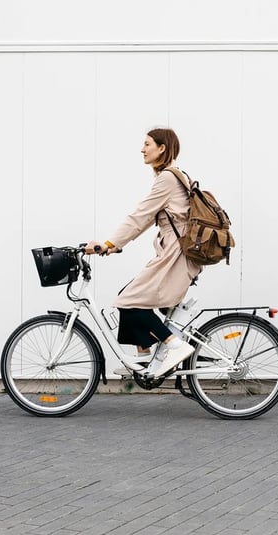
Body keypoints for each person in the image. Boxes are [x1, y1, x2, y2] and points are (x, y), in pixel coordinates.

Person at [86, 127, 200, 378]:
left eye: (147, 144)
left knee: (129, 300)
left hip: (176, 257)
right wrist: (114, 246)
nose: (142, 149)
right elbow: (148, 220)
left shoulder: (168, 179)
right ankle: (144, 359)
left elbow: (140, 216)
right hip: (174, 255)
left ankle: (175, 345)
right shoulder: (173, 177)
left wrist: (106, 243)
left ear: (162, 148)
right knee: (128, 297)